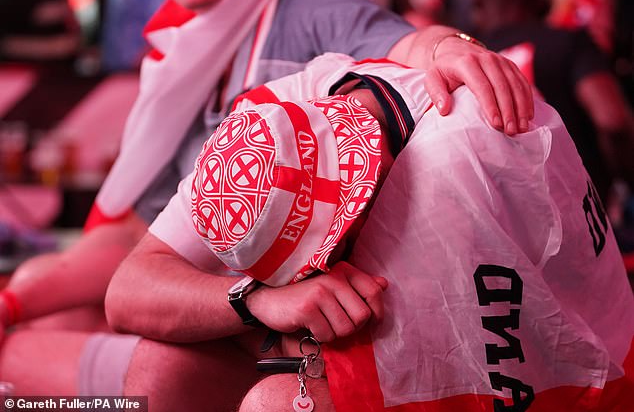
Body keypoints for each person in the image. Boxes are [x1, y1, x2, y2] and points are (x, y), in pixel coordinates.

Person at [107, 53, 633, 411]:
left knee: (274, 405)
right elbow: (127, 293)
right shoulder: (264, 127)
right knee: (159, 366)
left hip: (562, 365)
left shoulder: (450, 165)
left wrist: (455, 44)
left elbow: (448, 357)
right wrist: (257, 300)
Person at [472, 0, 634, 205]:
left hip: (518, 220)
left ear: (479, 9)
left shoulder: (473, 64)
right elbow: (612, 120)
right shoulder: (569, 42)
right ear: (539, 1)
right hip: (588, 211)